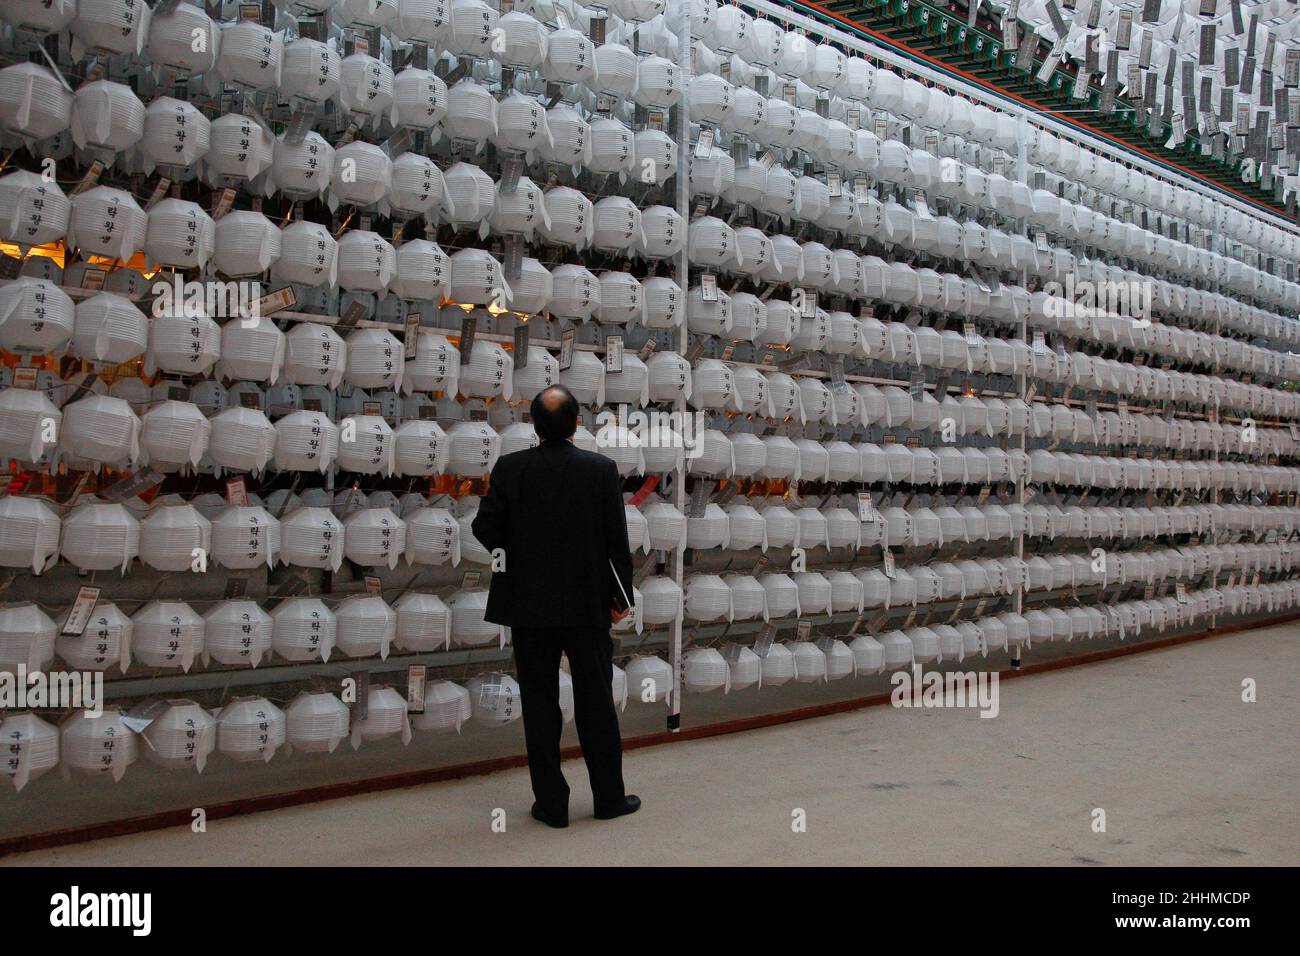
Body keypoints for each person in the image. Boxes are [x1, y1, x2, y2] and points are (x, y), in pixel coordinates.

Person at [471, 384, 640, 828]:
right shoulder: (600, 470)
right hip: (587, 605)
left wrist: (519, 552)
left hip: (529, 606)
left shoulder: (510, 469)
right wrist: (621, 597)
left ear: (533, 425)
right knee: (596, 702)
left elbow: (484, 528)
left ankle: (552, 805)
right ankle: (608, 798)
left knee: (540, 703)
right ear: (577, 424)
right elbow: (614, 542)